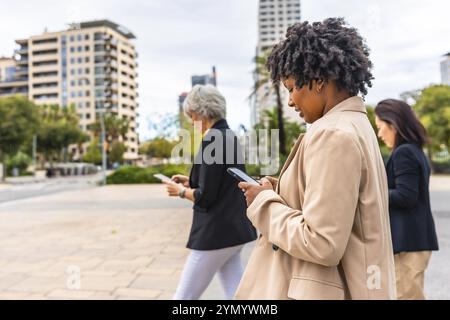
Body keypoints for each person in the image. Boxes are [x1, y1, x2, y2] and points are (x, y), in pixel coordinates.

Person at [235, 18, 396, 300]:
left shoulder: (332, 134)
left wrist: (263, 203)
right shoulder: (356, 125)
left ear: (319, 80)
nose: (290, 101)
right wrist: (281, 191)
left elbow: (321, 242)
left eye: (291, 87)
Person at [163, 84, 257, 300]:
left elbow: (206, 197)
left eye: (191, 115)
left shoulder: (212, 140)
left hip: (215, 234)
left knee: (183, 298)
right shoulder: (229, 136)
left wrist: (179, 192)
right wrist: (191, 181)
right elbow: (223, 180)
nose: (190, 121)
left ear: (201, 113)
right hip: (235, 231)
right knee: (235, 294)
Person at [375, 99, 439, 300]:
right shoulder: (413, 150)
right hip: (413, 240)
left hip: (409, 241)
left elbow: (406, 196)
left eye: (380, 127)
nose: (379, 134)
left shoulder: (405, 153)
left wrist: (371, 193)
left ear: (393, 124)